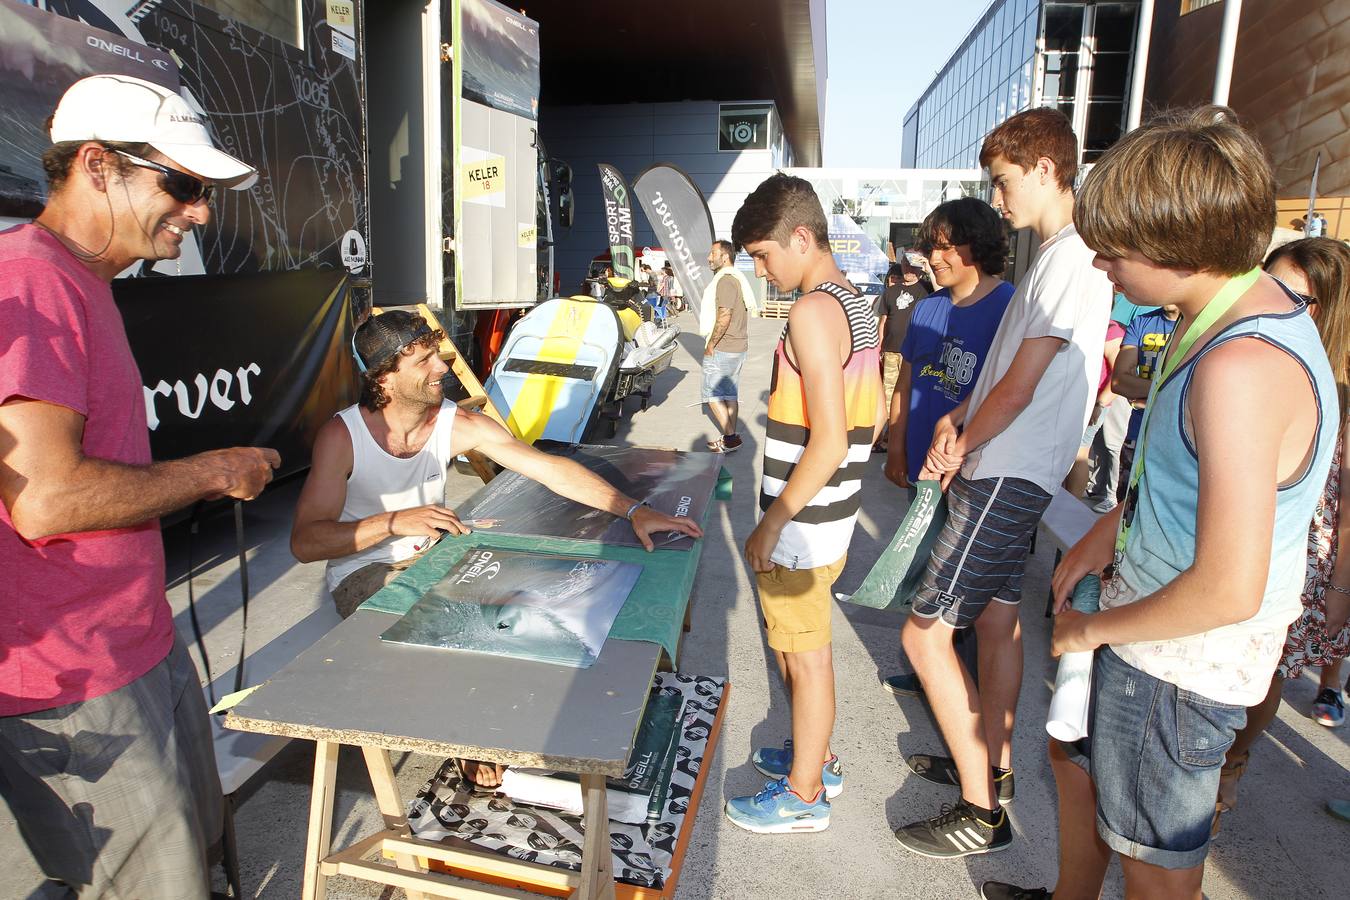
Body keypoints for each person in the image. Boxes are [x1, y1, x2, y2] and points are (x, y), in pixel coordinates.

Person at [986, 107, 1338, 900]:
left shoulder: (1239, 367)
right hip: (1151, 631)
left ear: (1178, 248)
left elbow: (1228, 586)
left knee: (1156, 865)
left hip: (1175, 664)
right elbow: (1183, 476)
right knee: (1076, 766)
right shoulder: (1224, 315)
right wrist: (1108, 530)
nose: (1103, 267)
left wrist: (1089, 628)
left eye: (1115, 253)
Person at [0, 74, 280, 899]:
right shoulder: (31, 280)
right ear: (96, 164)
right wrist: (211, 471)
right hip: (70, 677)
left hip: (130, 642)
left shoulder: (78, 281)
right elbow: (45, 500)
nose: (198, 213)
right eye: (183, 185)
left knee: (195, 851)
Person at [289, 309, 702, 784]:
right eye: (424, 361)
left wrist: (632, 509)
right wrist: (393, 522)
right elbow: (306, 541)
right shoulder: (343, 437)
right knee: (454, 633)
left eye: (437, 355)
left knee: (533, 606)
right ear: (383, 377)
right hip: (365, 572)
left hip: (436, 552)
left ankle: (547, 721)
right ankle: (468, 734)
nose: (442, 367)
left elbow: (546, 469)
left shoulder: (452, 421)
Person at [893, 108, 1111, 859]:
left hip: (1007, 472)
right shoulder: (1051, 254)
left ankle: (981, 811)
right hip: (1001, 463)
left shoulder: (1075, 258)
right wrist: (959, 414)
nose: (1000, 196)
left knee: (924, 637)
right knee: (995, 623)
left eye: (1005, 180)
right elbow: (1001, 374)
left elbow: (1020, 387)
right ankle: (992, 767)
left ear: (1047, 170)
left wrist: (962, 444)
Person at [722, 173, 882, 833]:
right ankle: (814, 756)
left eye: (763, 255)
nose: (760, 271)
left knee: (806, 656)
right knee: (798, 648)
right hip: (831, 518)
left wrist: (771, 524)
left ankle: (805, 792)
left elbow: (830, 439)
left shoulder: (814, 312)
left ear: (801, 236)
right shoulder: (856, 304)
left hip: (804, 523)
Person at [1210, 237, 1350, 833]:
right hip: (1237, 529)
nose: (1274, 299)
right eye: (1269, 282)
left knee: (1265, 670)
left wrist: (1340, 587)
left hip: (1305, 554)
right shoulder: (1243, 350)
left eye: (1297, 294)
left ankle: (1229, 762)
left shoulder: (1339, 387)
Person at [879, 198, 1014, 698]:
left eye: (944, 247)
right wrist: (895, 447)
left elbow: (1012, 391)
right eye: (928, 248)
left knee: (968, 587)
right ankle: (929, 667)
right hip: (922, 465)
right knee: (927, 566)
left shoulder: (1008, 308)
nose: (932, 259)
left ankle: (964, 683)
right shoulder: (926, 309)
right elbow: (906, 380)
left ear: (976, 245)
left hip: (976, 469)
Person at [1111, 302, 1181, 497]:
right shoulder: (1142, 322)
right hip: (1138, 430)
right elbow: (1119, 382)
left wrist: (1143, 393)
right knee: (1125, 502)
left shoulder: (1199, 326)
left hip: (1175, 437)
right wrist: (1172, 390)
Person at [873, 256, 931, 453]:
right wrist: (879, 348)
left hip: (914, 355)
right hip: (891, 351)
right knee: (888, 397)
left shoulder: (926, 290)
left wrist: (928, 267)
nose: (909, 269)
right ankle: (886, 439)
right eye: (906, 265)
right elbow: (883, 322)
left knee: (909, 396)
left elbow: (942, 289)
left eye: (913, 266)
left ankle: (903, 438)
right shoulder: (890, 292)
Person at [702, 239, 752, 452]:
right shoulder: (737, 279)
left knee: (712, 396)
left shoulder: (725, 281)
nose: (708, 258)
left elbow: (724, 315)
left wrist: (711, 344)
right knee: (730, 395)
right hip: (737, 347)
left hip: (724, 347)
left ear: (725, 257)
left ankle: (730, 439)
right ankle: (729, 436)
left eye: (712, 253)